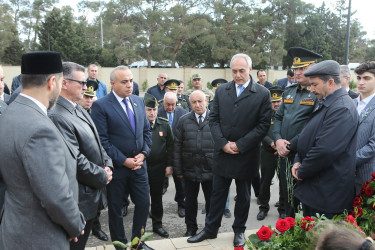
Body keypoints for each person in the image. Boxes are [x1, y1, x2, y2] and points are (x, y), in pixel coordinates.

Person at [0, 51, 85, 249]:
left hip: (15, 228)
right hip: (39, 236)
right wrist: (75, 226)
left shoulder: (10, 111)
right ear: (52, 82)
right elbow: (56, 197)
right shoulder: (40, 129)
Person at [188, 53, 272, 247]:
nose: (237, 75)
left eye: (241, 70)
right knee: (217, 193)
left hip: (246, 154)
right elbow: (213, 118)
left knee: (243, 196)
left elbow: (262, 125)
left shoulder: (262, 93)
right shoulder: (222, 90)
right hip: (222, 152)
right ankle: (210, 229)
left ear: (250, 70)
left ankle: (239, 230)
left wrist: (240, 144)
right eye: (234, 71)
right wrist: (223, 143)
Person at [49, 62, 113, 249]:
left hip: (91, 195)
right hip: (79, 200)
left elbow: (97, 142)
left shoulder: (77, 107)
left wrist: (107, 163)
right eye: (82, 83)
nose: (86, 87)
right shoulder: (58, 115)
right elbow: (74, 159)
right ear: (65, 83)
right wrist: (102, 174)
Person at [91, 66, 153, 250]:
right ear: (112, 83)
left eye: (131, 80)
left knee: (143, 204)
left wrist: (143, 154)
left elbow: (146, 132)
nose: (129, 85)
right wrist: (123, 160)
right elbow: (102, 141)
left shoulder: (138, 101)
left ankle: (137, 243)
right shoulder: (101, 105)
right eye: (124, 81)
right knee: (116, 210)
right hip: (117, 168)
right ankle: (120, 245)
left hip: (139, 166)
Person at [291, 60, 358, 218]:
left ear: (330, 82)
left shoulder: (342, 107)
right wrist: (298, 158)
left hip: (328, 195)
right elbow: (308, 134)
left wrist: (302, 170)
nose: (311, 89)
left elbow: (325, 150)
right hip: (317, 189)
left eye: (314, 84)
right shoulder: (327, 101)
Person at [273, 47, 322, 218]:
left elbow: (312, 126)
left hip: (302, 154)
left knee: (305, 196)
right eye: (296, 68)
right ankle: (288, 227)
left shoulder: (317, 94)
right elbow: (278, 118)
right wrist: (278, 140)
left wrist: (290, 145)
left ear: (313, 68)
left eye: (303, 68)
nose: (298, 72)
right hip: (284, 152)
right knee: (287, 194)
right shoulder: (289, 91)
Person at [174, 90, 215, 237]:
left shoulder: (216, 119)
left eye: (200, 101)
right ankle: (191, 228)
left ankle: (210, 228)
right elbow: (177, 146)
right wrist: (178, 169)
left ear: (206, 101)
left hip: (211, 169)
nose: (197, 105)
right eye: (194, 102)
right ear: (190, 104)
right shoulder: (183, 120)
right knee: (190, 202)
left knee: (211, 201)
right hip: (189, 168)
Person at [143, 93, 174, 238]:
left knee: (156, 198)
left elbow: (171, 146)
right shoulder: (138, 124)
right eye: (149, 110)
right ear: (144, 110)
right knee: (142, 199)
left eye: (154, 109)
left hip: (158, 167)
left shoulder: (164, 124)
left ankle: (157, 225)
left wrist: (169, 165)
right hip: (141, 167)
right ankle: (140, 228)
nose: (152, 113)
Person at [158, 92, 187, 218]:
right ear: (163, 102)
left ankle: (181, 204)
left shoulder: (183, 113)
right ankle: (156, 207)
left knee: (180, 181)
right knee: (157, 182)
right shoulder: (158, 112)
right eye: (167, 104)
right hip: (161, 153)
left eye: (173, 104)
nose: (170, 107)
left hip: (178, 154)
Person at [257, 86, 283, 221]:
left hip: (283, 152)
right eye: (274, 102)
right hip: (268, 152)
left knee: (284, 182)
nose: (276, 104)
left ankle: (283, 208)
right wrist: (270, 142)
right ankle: (263, 207)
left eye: (278, 101)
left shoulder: (286, 113)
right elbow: (261, 132)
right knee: (265, 181)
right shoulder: (265, 114)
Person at [353, 62, 375, 194]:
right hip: (344, 175)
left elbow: (373, 146)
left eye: (367, 78)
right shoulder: (350, 103)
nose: (361, 82)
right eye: (359, 78)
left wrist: (348, 161)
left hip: (367, 173)